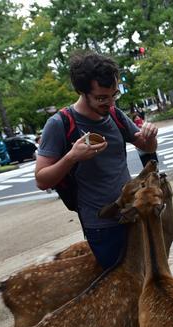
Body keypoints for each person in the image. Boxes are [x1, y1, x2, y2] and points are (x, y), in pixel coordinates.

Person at [34, 51, 158, 271]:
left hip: (134, 214)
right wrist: (72, 156)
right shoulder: (59, 124)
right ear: (82, 92)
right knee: (124, 292)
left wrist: (150, 137)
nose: (109, 103)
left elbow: (145, 146)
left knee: (149, 280)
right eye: (101, 98)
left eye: (114, 95)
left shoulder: (116, 115)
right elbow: (42, 180)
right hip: (102, 227)